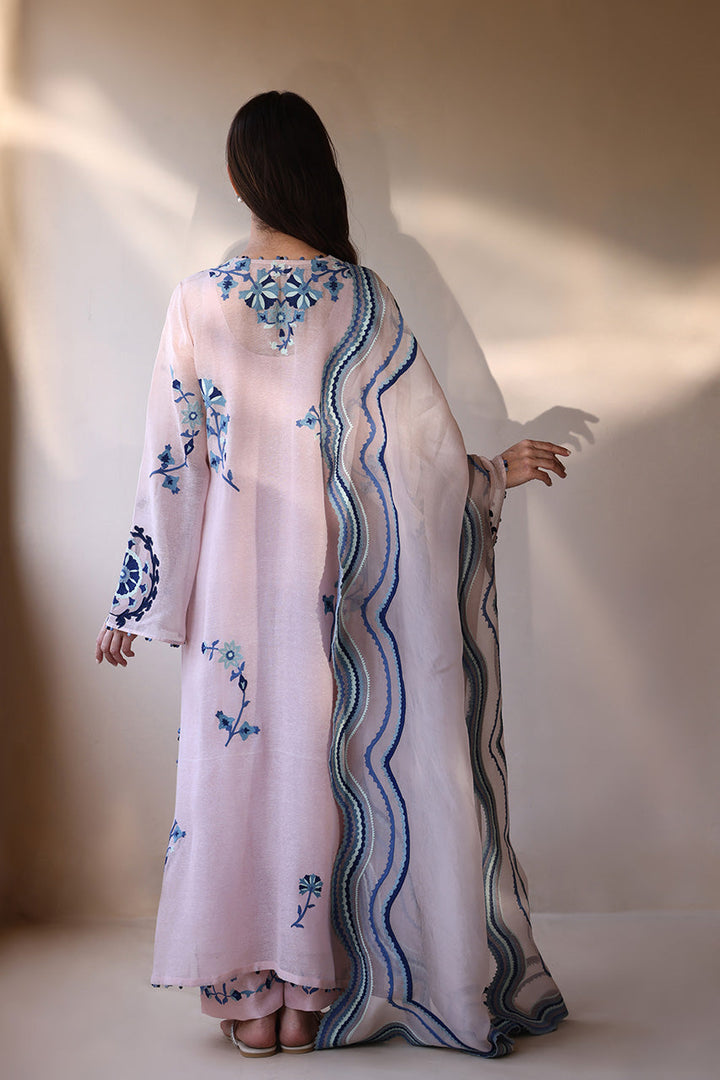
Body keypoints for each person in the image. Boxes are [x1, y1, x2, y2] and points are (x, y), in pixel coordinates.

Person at [96, 90, 570, 1059]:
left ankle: (249, 995)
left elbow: (171, 462)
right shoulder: (362, 299)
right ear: (317, 173)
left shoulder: (197, 300)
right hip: (334, 581)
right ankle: (310, 990)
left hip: (230, 585)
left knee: (236, 768)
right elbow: (418, 455)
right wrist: (488, 474)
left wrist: (137, 601)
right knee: (318, 766)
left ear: (241, 179)